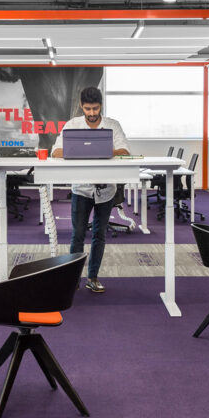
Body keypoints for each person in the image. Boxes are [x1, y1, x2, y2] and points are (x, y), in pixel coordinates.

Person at [51, 86, 129, 293]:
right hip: (81, 189)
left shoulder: (113, 126)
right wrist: (80, 150)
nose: (92, 113)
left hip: (106, 190)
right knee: (77, 235)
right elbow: (56, 151)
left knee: (99, 235)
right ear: (81, 106)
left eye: (95, 108)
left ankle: (92, 277)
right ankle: (72, 278)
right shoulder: (72, 125)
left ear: (101, 106)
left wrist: (102, 150)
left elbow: (125, 152)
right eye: (88, 109)